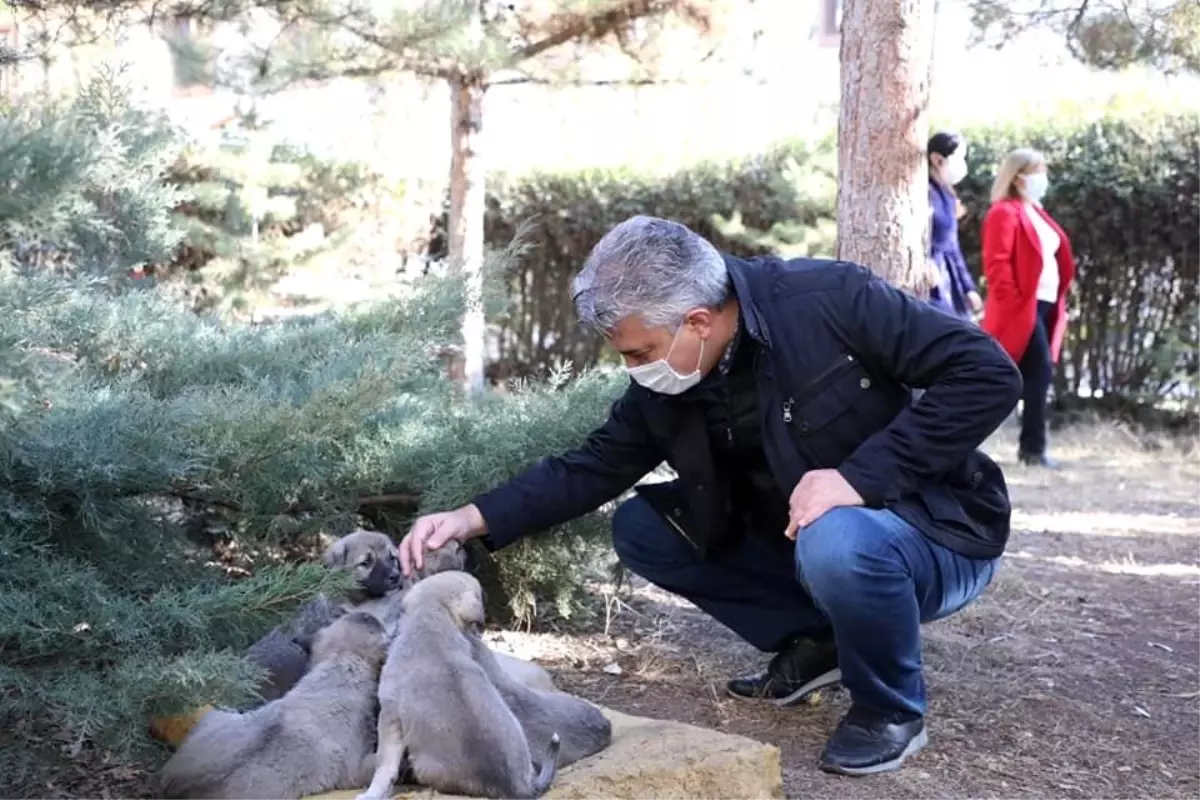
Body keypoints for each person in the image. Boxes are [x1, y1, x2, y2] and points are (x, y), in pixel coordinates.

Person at [398, 216, 1023, 777]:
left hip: (934, 536)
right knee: (644, 528)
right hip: (805, 546)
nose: (636, 369)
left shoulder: (829, 299)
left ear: (697, 321)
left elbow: (988, 374)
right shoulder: (671, 377)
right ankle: (821, 642)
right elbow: (594, 466)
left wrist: (860, 477)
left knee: (836, 532)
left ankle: (889, 708)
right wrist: (471, 518)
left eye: (640, 352)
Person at [980, 148, 1076, 468]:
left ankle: (1031, 449)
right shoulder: (1004, 212)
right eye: (1036, 170)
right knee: (1036, 372)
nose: (1042, 177)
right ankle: (1033, 449)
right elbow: (997, 264)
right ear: (1017, 177)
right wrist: (1011, 303)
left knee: (1033, 374)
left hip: (1047, 306)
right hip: (1022, 308)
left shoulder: (1036, 211)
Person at [926, 131, 982, 320]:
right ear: (936, 159)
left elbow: (952, 246)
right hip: (931, 276)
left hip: (947, 276)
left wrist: (968, 288)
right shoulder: (925, 192)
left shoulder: (948, 196)